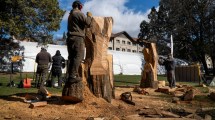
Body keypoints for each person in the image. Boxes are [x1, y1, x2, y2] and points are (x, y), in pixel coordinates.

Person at [66, 0, 92, 83]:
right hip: (77, 37)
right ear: (79, 6)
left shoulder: (70, 15)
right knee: (79, 56)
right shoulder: (78, 13)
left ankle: (70, 75)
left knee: (72, 57)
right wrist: (89, 16)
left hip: (70, 37)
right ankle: (72, 76)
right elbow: (88, 23)